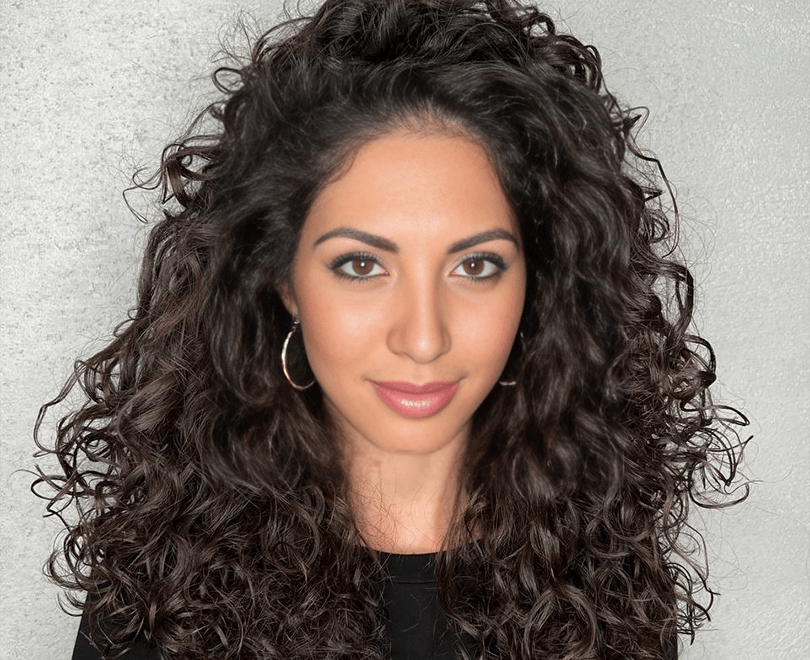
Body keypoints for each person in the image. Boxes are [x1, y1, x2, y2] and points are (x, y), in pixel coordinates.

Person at [34, 1, 748, 658]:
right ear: (283, 280)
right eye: (361, 265)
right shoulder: (162, 594)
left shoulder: (603, 588)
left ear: (538, 284)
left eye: (475, 266)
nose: (423, 337)